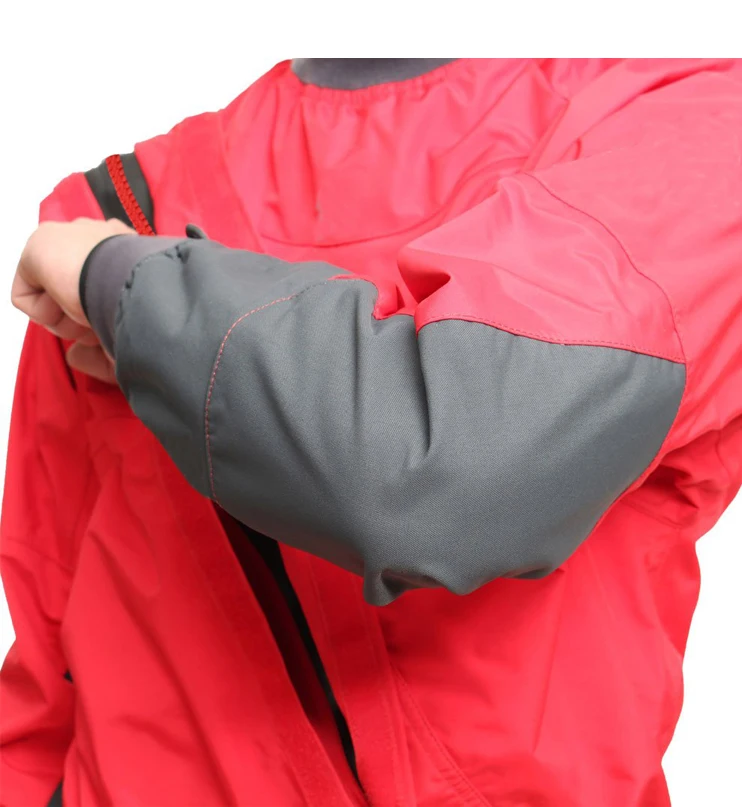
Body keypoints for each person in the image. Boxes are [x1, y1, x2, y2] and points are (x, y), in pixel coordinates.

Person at [2, 58, 742, 807]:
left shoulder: (694, 120)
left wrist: (126, 284)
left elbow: (443, 468)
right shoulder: (121, 200)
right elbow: (44, 678)